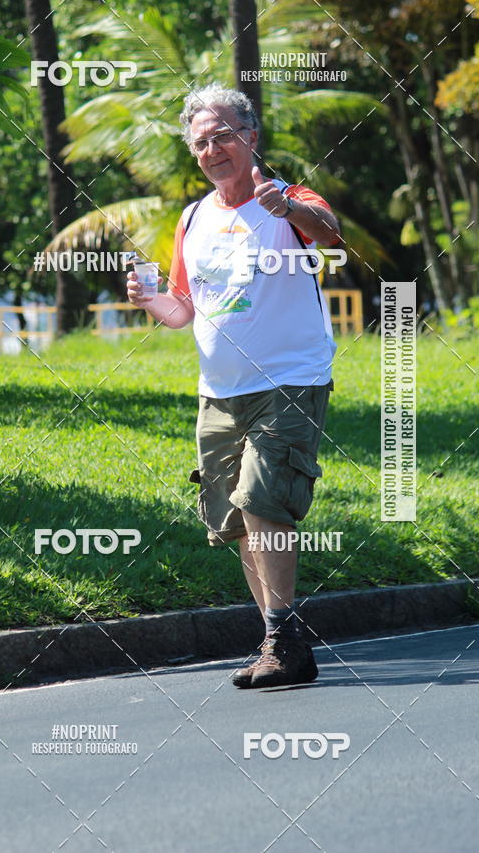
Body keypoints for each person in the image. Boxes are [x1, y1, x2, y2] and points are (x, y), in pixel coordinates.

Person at [127, 82, 341, 689]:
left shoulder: (287, 196)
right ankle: (283, 639)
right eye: (200, 142)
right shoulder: (192, 217)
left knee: (263, 503)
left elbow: (330, 231)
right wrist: (150, 300)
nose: (212, 149)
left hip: (289, 381)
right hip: (219, 390)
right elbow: (184, 310)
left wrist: (288, 210)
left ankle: (281, 639)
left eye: (223, 135)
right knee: (238, 522)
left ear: (251, 136)